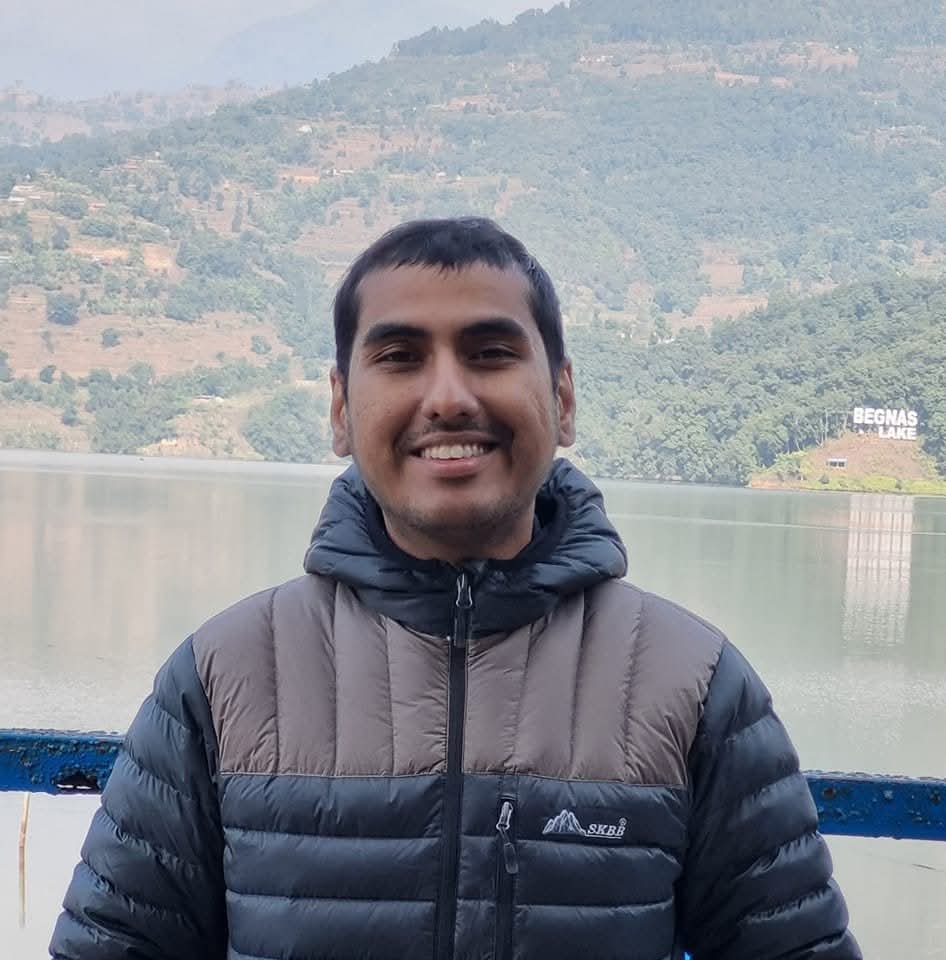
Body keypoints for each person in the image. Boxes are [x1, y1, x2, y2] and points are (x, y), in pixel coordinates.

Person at [50, 217, 861, 960]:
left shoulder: (691, 684)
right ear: (340, 409)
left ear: (563, 398)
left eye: (491, 353)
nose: (446, 398)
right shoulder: (226, 677)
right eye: (400, 357)